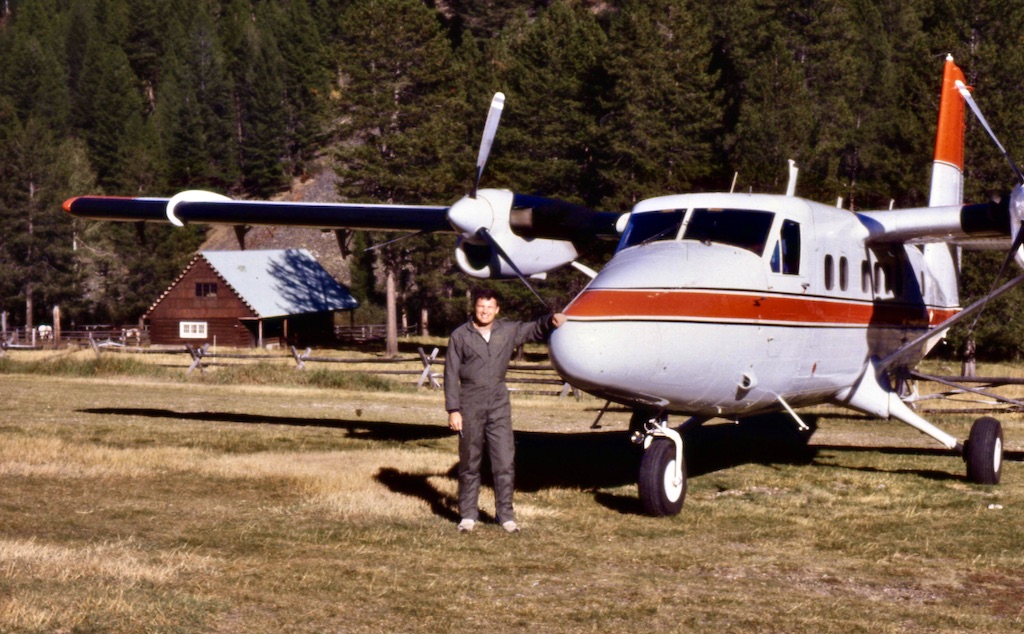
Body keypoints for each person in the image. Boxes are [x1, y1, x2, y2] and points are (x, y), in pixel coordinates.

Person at [444, 288, 566, 533]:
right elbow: (450, 374)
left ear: (497, 310)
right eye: (481, 307)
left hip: (499, 403)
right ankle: (468, 516)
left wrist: (551, 320)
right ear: (474, 308)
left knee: (504, 461)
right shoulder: (460, 336)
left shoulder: (507, 331)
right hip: (470, 402)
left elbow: (533, 329)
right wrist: (453, 410)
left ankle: (506, 516)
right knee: (469, 462)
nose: (485, 311)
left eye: (490, 307)